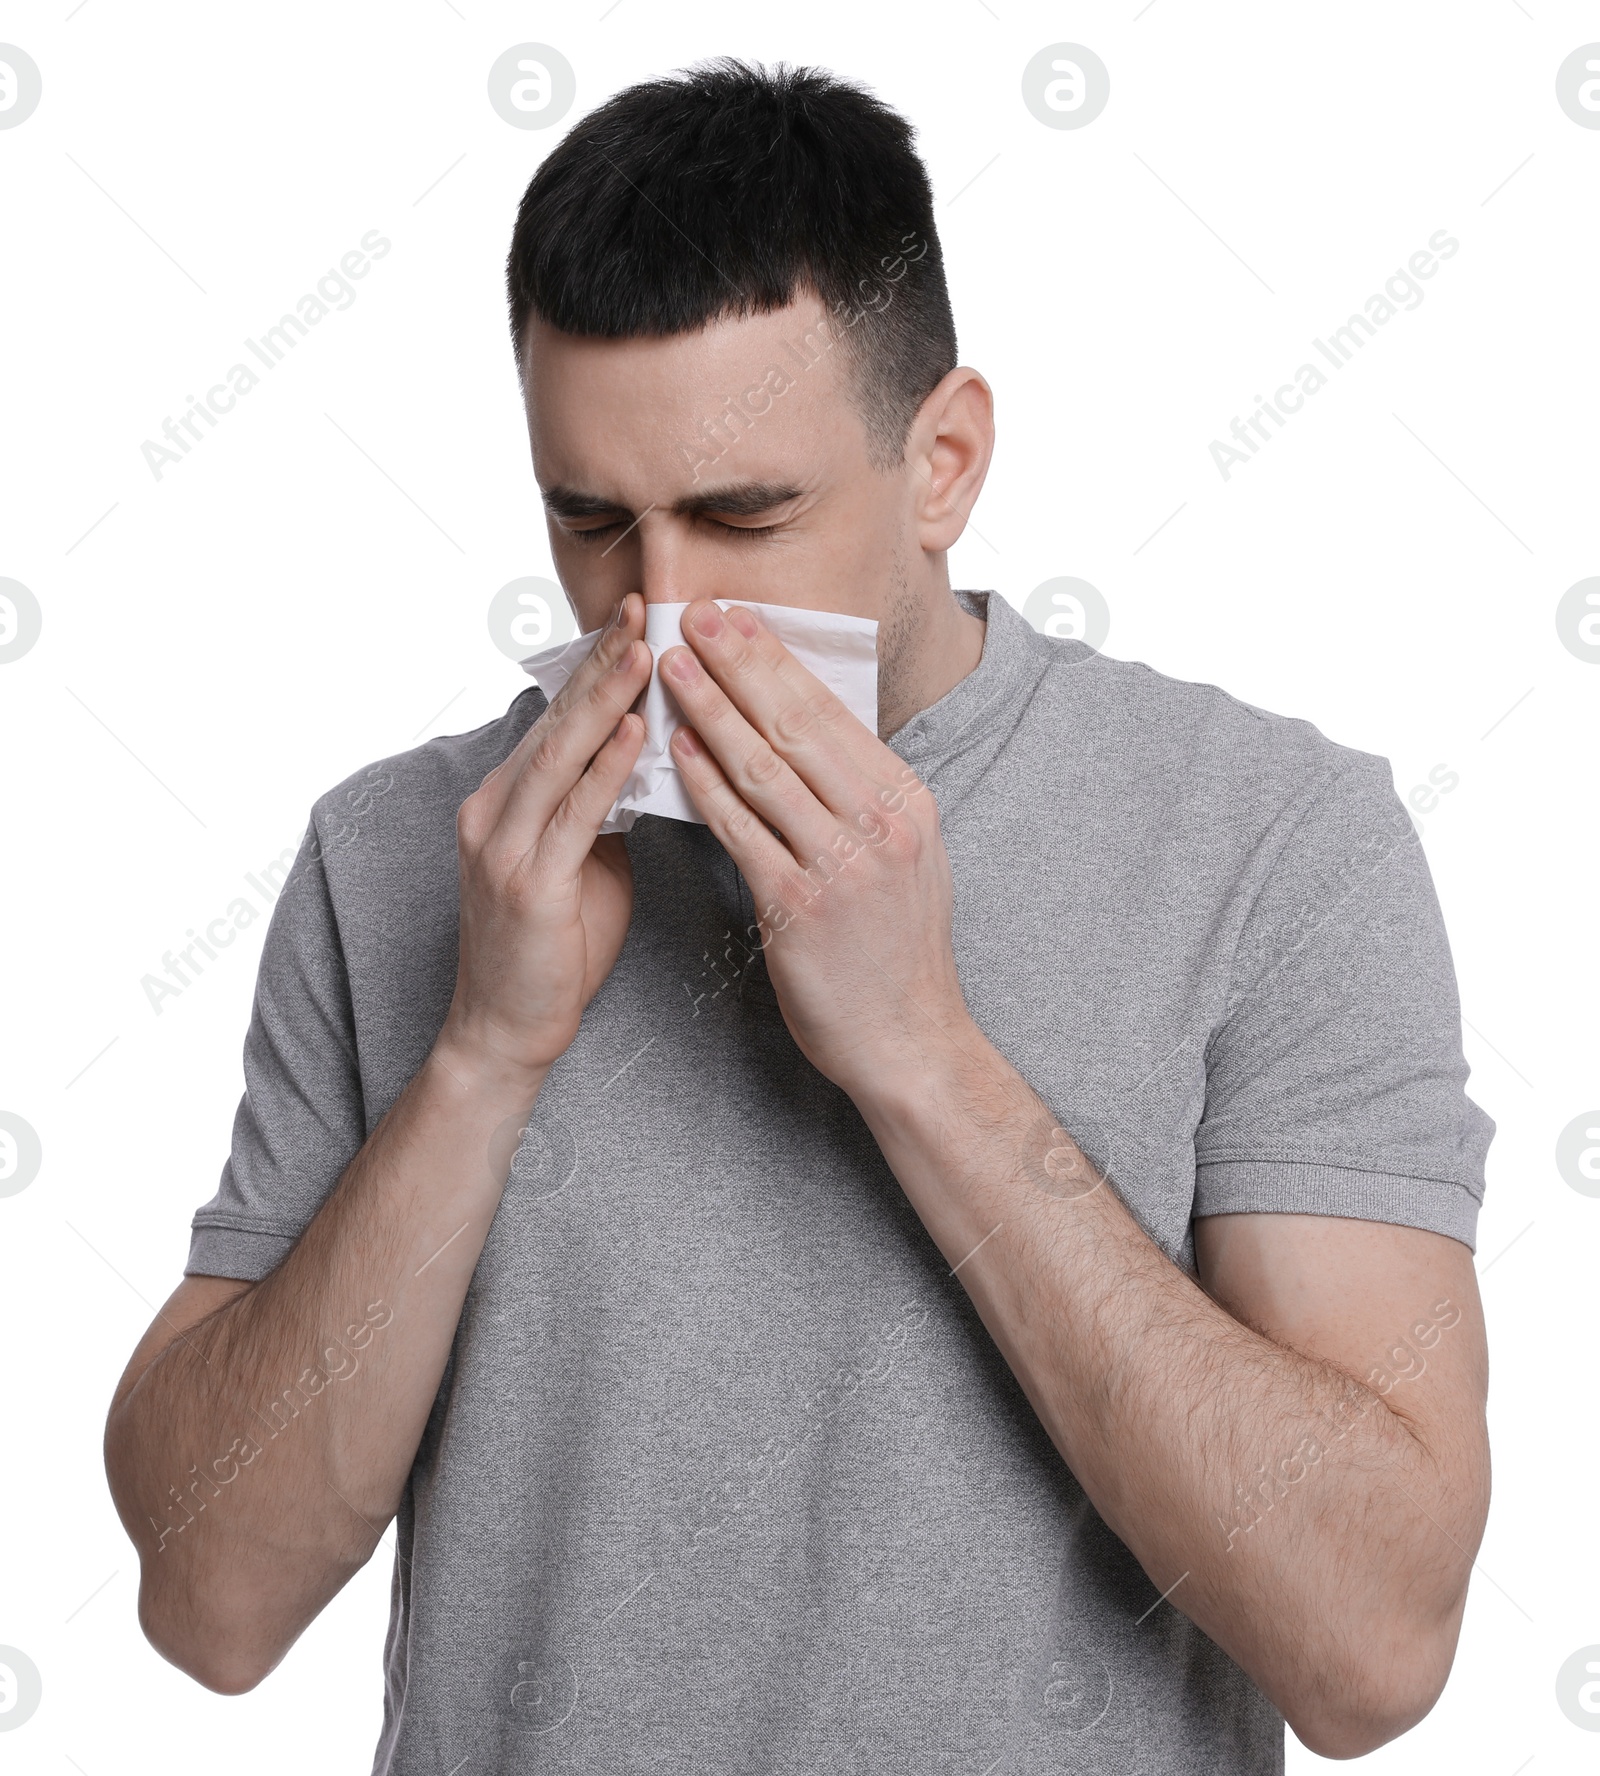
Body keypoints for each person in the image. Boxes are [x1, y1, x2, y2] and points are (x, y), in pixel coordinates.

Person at [104, 59, 1494, 1773]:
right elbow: (208, 1605)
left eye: (744, 515)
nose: (663, 610)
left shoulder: (1273, 839)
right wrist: (481, 1052)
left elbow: (1371, 1653)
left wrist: (920, 1053)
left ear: (944, 465)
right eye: (594, 522)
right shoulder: (403, 851)